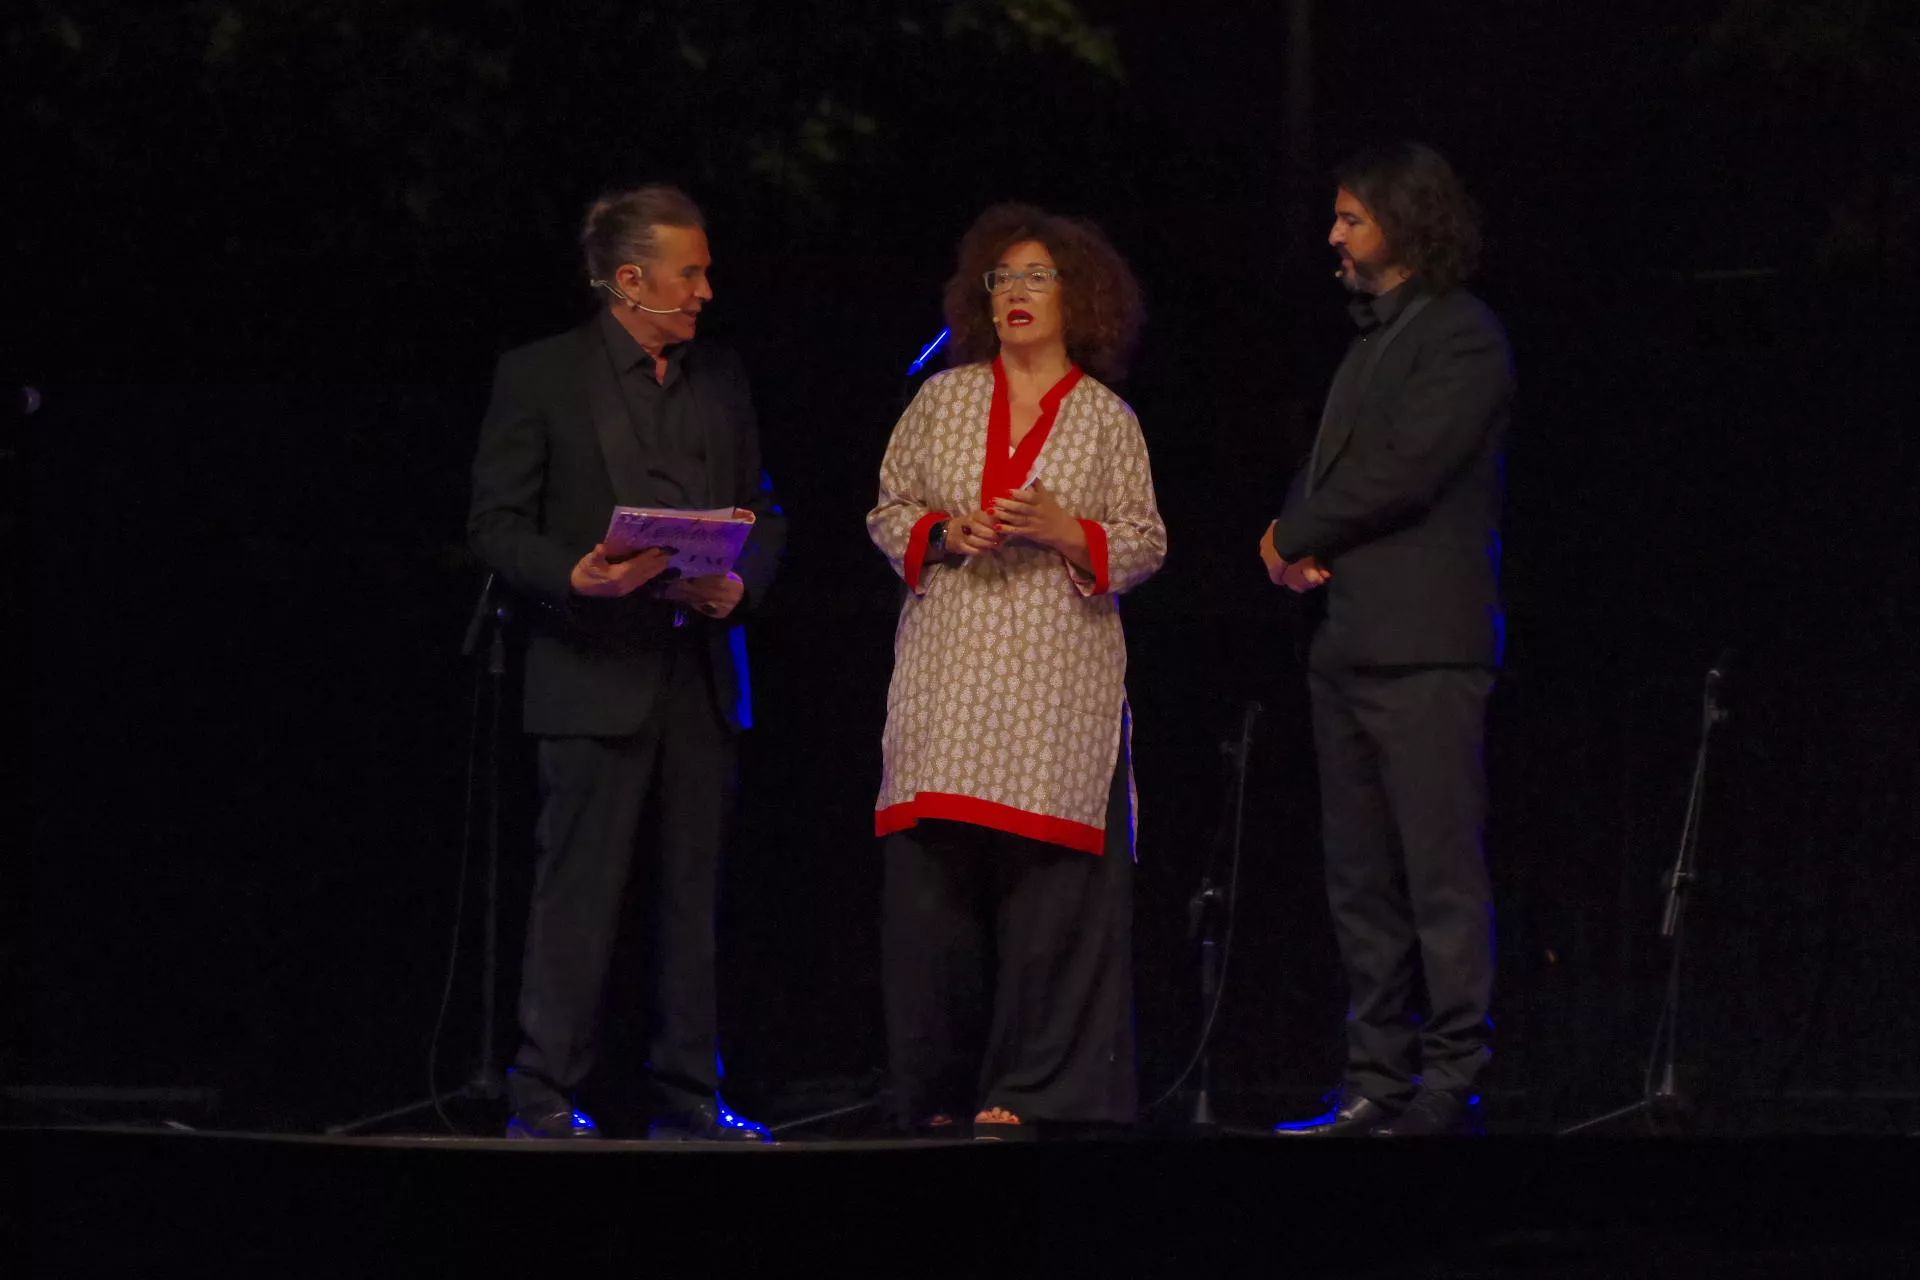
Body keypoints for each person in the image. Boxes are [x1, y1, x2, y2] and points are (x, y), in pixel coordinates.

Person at [468, 184, 785, 1140]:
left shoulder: (720, 377)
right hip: (589, 669)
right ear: (631, 278)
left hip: (697, 675)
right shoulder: (541, 375)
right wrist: (575, 574)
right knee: (578, 894)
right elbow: (494, 526)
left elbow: (764, 509)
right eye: (691, 273)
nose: (705, 291)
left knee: (694, 898)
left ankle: (690, 1095)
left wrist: (741, 585)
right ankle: (543, 1094)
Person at [867, 203, 1166, 1140]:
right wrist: (948, 534)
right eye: (1002, 279)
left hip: (1053, 679)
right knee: (934, 895)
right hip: (949, 672)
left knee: (1046, 897)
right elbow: (888, 509)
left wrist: (1062, 530)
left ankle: (1035, 1087)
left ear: (1079, 297)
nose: (1017, 294)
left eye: (1037, 277)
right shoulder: (942, 399)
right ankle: (936, 1086)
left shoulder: (1109, 420)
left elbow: (1146, 541)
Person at [1259, 142, 1514, 1137]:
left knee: (1438, 870)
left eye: (1350, 218)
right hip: (1346, 644)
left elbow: (1405, 469)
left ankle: (1453, 1075)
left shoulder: (1464, 336)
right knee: (1359, 876)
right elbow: (1326, 471)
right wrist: (1286, 548)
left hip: (1427, 647)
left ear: (1403, 224)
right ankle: (1376, 1075)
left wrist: (1297, 534)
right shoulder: (1365, 343)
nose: (1334, 235)